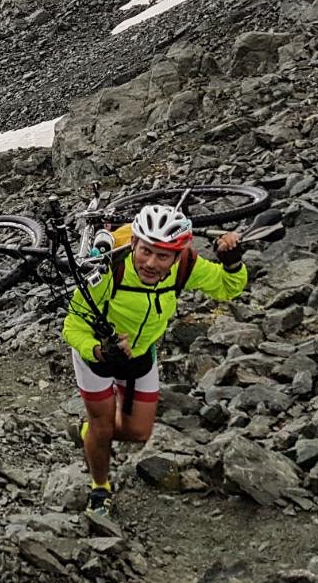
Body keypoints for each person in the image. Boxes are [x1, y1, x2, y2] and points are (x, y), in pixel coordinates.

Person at [61, 202, 247, 524]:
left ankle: (89, 433)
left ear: (176, 256)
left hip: (141, 353)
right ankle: (100, 488)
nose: (151, 262)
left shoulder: (185, 266)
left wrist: (232, 264)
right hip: (97, 357)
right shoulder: (109, 269)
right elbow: (72, 325)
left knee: (137, 433)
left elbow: (228, 288)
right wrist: (99, 351)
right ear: (133, 243)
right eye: (146, 251)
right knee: (104, 426)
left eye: (163, 256)